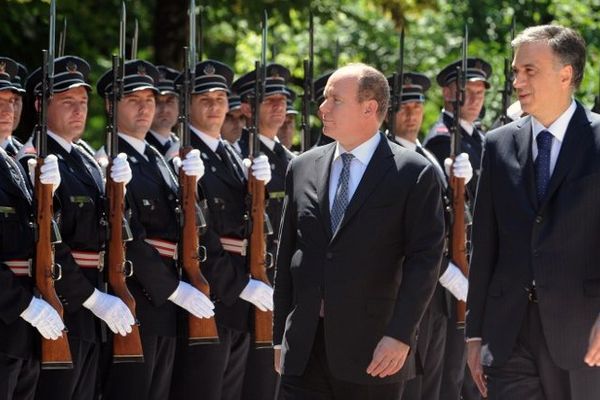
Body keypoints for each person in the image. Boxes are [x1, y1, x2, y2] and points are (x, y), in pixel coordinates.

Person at [273, 63, 445, 400]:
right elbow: (287, 257)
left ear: (369, 108)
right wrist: (280, 336)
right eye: (324, 99)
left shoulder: (413, 173)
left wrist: (400, 335)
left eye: (335, 100)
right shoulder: (302, 166)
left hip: (374, 352)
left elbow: (424, 263)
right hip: (305, 347)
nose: (322, 108)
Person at [466, 24, 600, 400]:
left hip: (585, 338)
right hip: (508, 337)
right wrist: (474, 333)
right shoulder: (498, 144)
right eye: (515, 71)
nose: (517, 81)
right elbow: (485, 245)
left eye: (529, 70)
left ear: (566, 74)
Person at [17, 55, 136, 400]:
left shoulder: (83, 157)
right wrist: (91, 298)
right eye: (67, 102)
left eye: (82, 102)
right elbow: (49, 243)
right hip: (67, 306)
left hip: (97, 313)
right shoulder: (36, 160)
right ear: (40, 105)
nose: (78, 110)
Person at [97, 59, 214, 400]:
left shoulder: (157, 157)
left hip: (166, 305)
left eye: (150, 99)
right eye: (134, 100)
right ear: (111, 105)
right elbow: (125, 238)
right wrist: (174, 289)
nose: (146, 108)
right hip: (139, 299)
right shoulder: (112, 161)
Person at [168, 59, 272, 400]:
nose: (214, 107)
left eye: (220, 98)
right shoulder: (184, 157)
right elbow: (197, 233)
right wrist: (239, 285)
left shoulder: (229, 153)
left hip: (239, 296)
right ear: (188, 105)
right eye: (204, 100)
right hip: (213, 293)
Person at [386, 72, 472, 400]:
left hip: (437, 296)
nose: (411, 113)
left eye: (417, 104)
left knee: (432, 384)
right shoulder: (387, 157)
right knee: (406, 384)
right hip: (408, 286)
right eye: (403, 106)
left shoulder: (428, 153)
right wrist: (445, 269)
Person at [423, 57, 492, 400]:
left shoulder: (479, 139)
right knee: (452, 368)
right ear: (449, 93)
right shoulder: (441, 140)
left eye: (481, 92)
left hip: (478, 261)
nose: (477, 99)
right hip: (455, 266)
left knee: (475, 370)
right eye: (469, 92)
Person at [0, 56, 63, 400]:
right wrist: (22, 304)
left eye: (14, 100)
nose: (8, 108)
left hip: (25, 329)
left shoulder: (22, 161)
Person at [233, 63, 296, 400]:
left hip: (284, 284)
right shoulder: (239, 155)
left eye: (282, 98)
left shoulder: (290, 160)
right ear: (246, 108)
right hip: (249, 286)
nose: (278, 105)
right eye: (267, 99)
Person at [147, 65, 180, 159]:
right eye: (157, 102)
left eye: (169, 101)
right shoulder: (141, 147)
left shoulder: (181, 144)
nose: (164, 109)